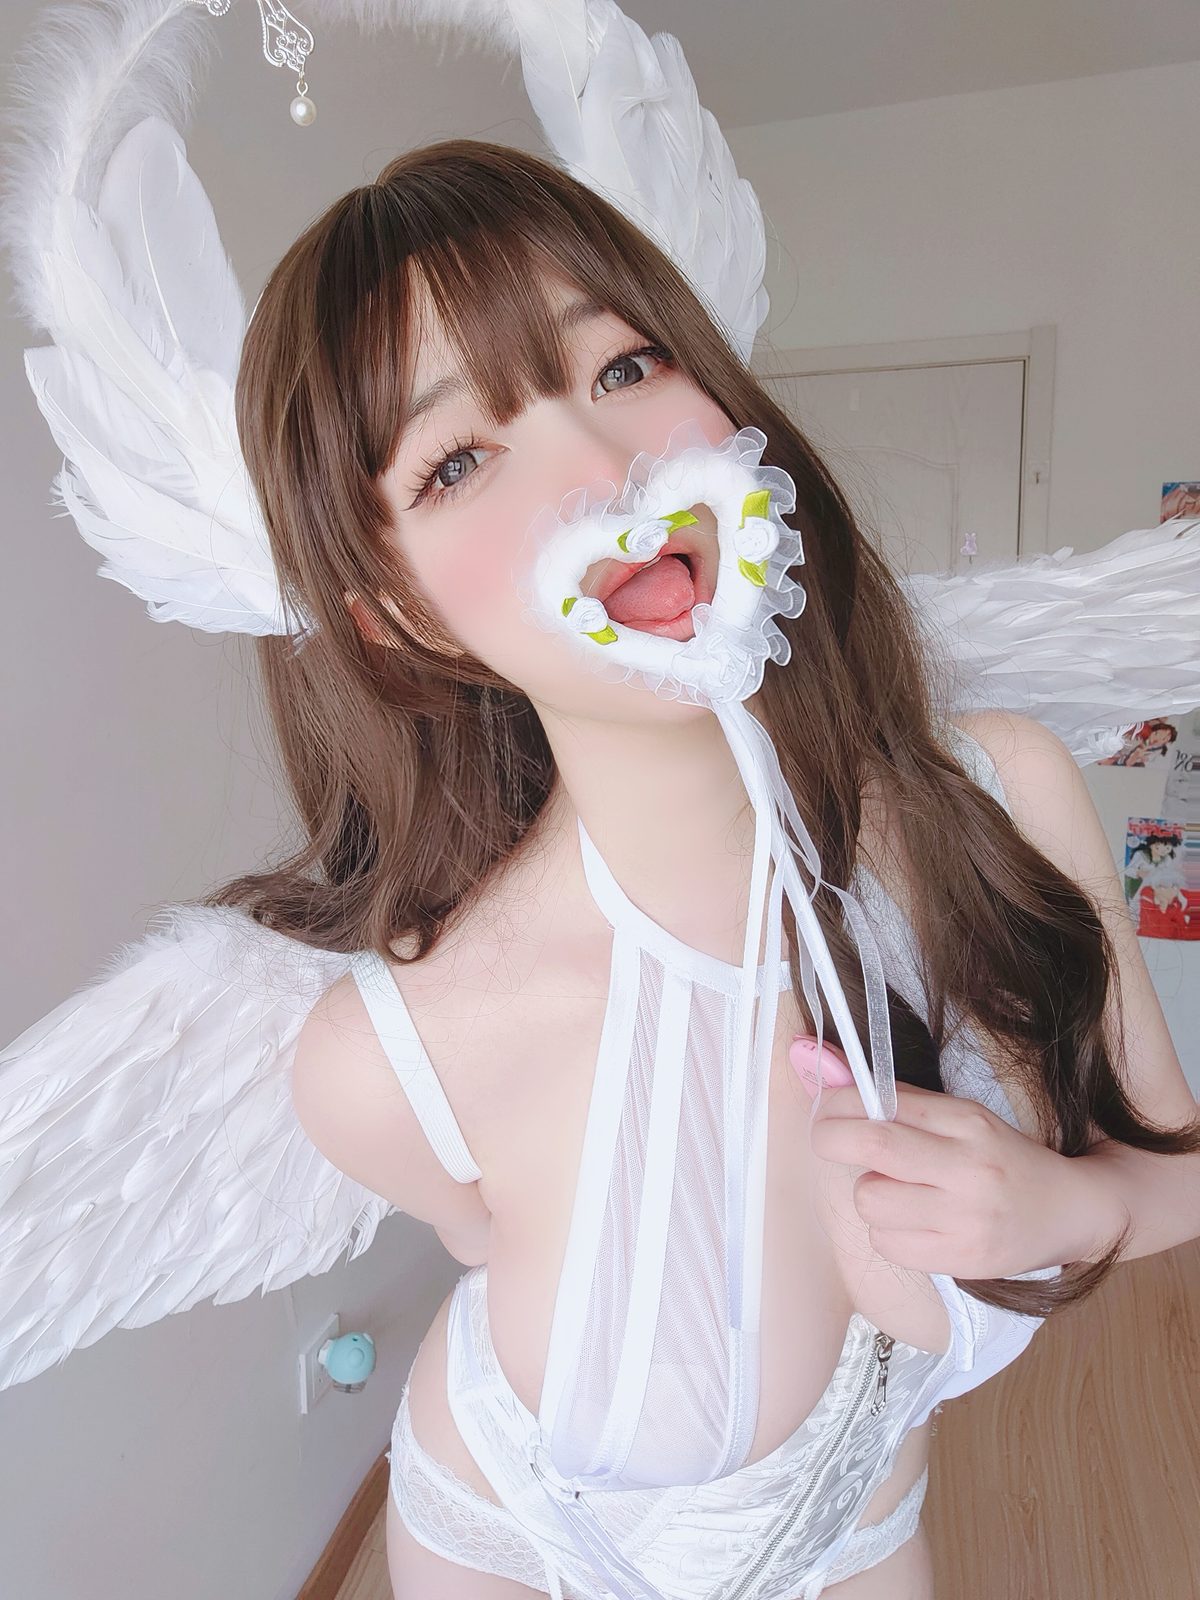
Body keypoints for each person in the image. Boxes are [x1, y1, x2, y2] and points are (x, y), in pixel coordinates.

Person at [3, 5, 1200, 1599]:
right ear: (399, 618)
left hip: (856, 1520)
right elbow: (493, 1241)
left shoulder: (1004, 798)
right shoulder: (387, 1057)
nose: (595, 465)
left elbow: (1179, 1173)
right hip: (506, 1529)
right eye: (454, 462)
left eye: (623, 365)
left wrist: (1055, 1199)